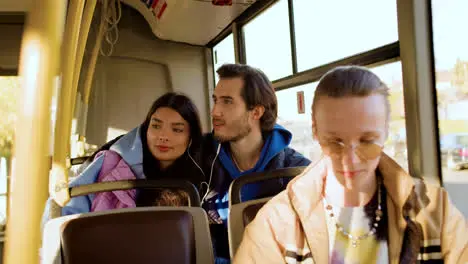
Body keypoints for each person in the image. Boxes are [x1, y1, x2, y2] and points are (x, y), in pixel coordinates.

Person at [233, 66, 468, 263]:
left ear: (386, 131)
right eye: (335, 142)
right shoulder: (275, 226)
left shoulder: (435, 211)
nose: (350, 159)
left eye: (367, 141)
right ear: (315, 130)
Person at [201, 64, 311, 262]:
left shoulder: (296, 173)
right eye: (215, 100)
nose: (215, 111)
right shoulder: (201, 159)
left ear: (256, 112)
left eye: (227, 102)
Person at [42, 92, 205, 222]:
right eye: (156, 126)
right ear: (145, 130)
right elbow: (65, 210)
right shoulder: (111, 164)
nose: (163, 136)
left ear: (191, 138)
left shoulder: (203, 179)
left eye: (176, 130)